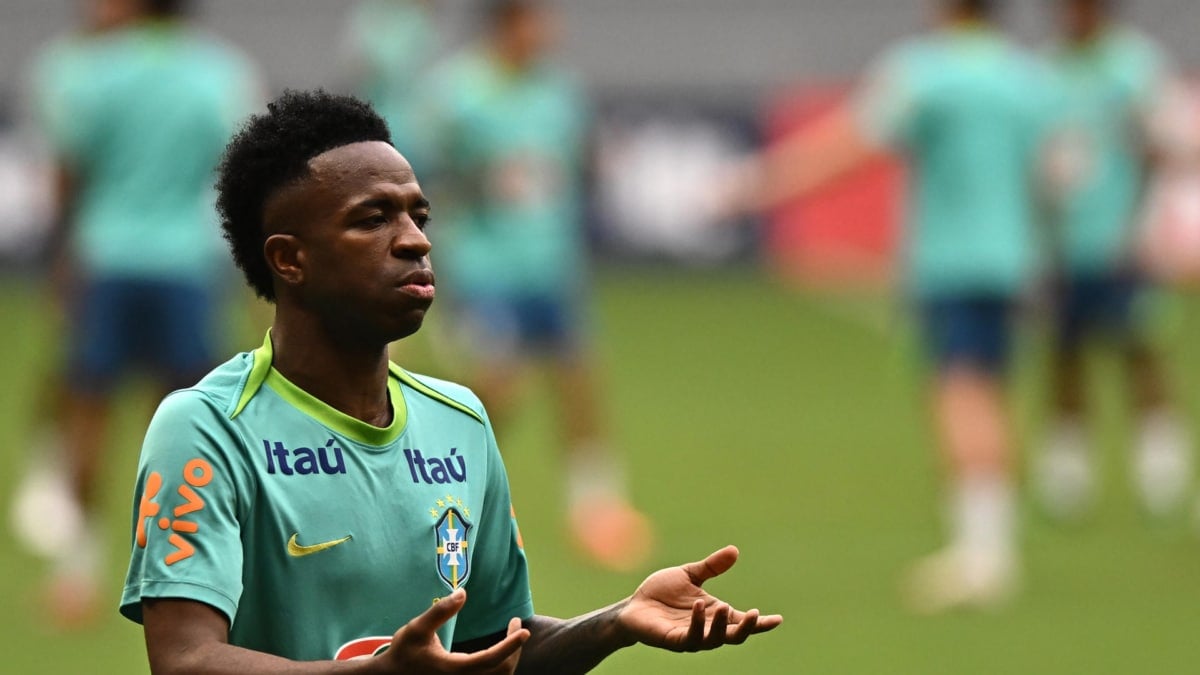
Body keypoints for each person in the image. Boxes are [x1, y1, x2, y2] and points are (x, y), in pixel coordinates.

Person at [119, 88, 781, 672]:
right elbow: (186, 659)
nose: (415, 240)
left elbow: (494, 645)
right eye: (373, 219)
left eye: (418, 215)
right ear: (290, 259)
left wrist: (614, 622)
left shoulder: (459, 421)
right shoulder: (206, 428)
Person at [728, 0, 1048, 612]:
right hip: (1012, 260)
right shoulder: (1023, 76)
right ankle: (993, 543)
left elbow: (849, 146)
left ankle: (981, 557)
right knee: (994, 394)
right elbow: (1056, 170)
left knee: (960, 394)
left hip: (953, 262)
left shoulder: (926, 72)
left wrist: (757, 186)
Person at [14, 0, 257, 625]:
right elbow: (233, 172)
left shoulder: (94, 71)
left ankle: (77, 571)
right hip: (185, 263)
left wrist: (64, 251)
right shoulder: (222, 73)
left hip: (108, 256)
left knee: (88, 410)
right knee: (183, 425)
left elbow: (70, 170)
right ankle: (178, 573)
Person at [424, 0, 652, 571]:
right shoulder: (456, 94)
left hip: (550, 267)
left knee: (578, 382)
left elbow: (580, 170)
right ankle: (447, 497)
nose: (550, 31)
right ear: (506, 25)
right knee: (495, 392)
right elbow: (424, 181)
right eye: (537, 19)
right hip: (484, 270)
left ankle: (596, 509)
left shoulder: (561, 94)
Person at [1033, 0, 1193, 522]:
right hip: (1061, 243)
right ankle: (1067, 472)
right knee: (1065, 352)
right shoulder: (1045, 69)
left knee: (1139, 347)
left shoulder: (1134, 66)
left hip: (1124, 240)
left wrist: (1143, 223)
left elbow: (1168, 146)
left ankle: (1161, 469)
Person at [342, 0, 439, 174]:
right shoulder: (378, 18)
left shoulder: (417, 25)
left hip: (410, 138)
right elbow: (370, 67)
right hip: (381, 133)